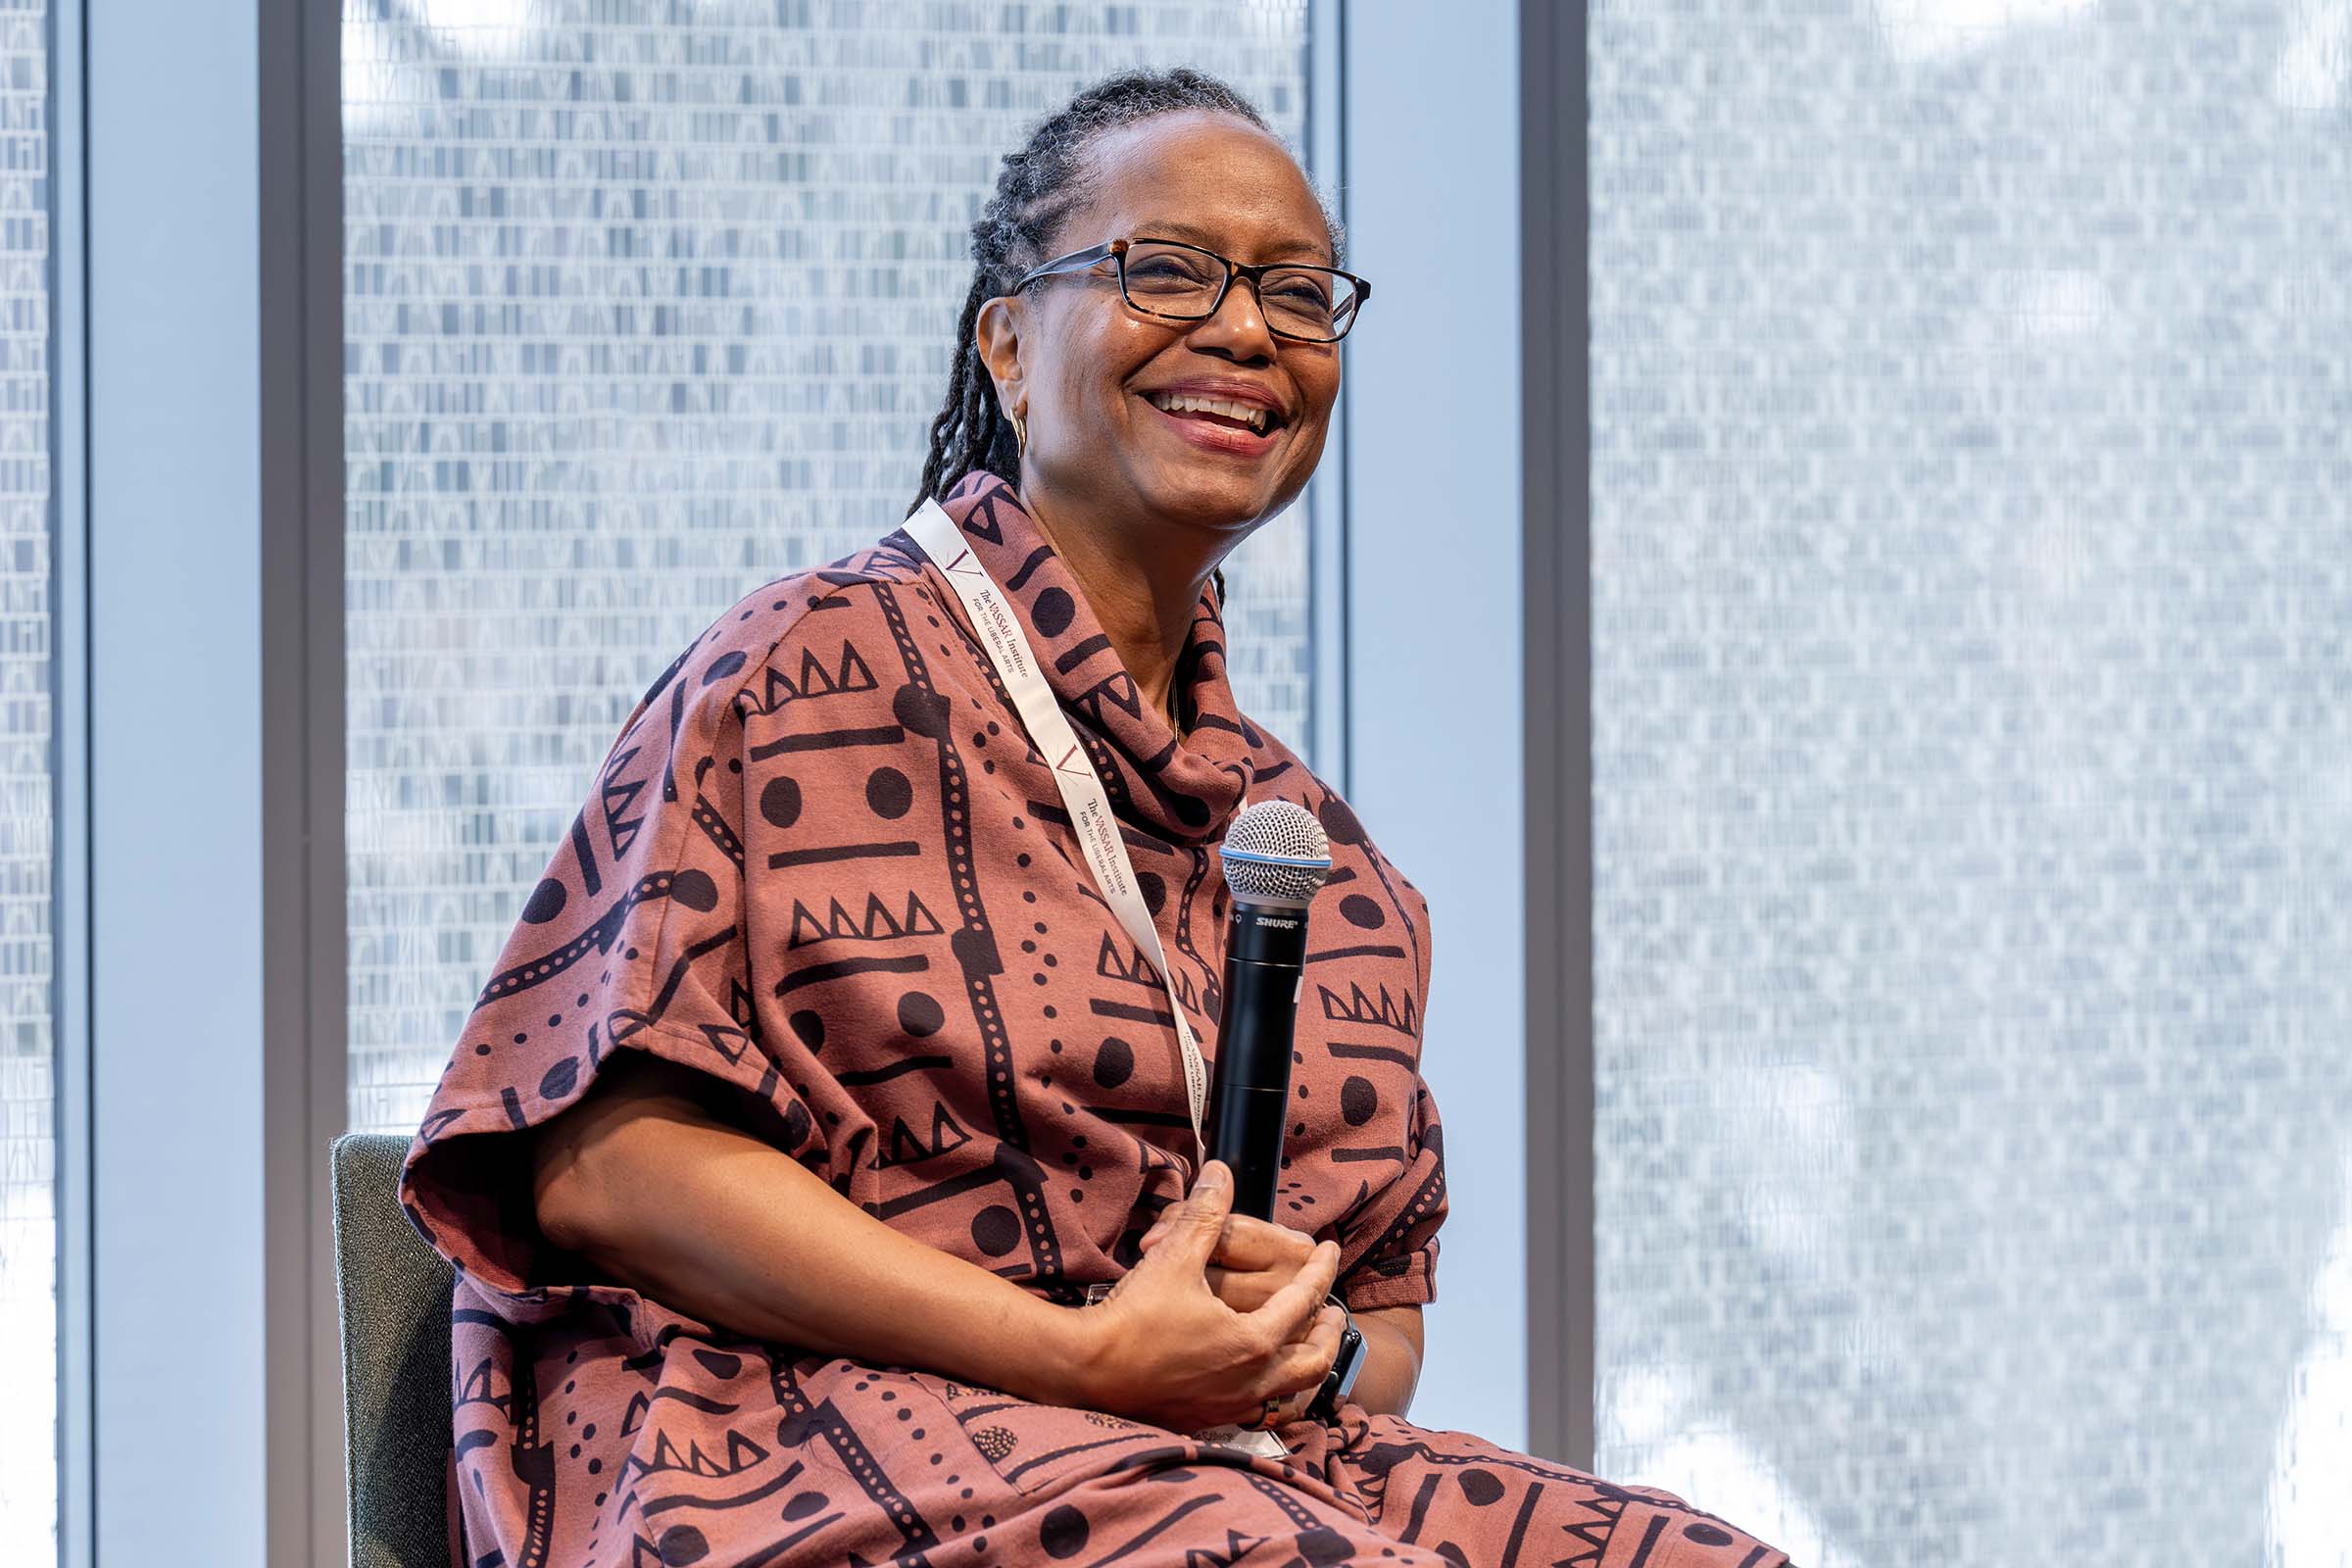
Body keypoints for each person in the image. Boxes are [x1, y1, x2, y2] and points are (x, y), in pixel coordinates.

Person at [401, 65, 1791, 1568]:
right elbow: (609, 1170)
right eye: (1168, 271)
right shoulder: (805, 676)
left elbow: (1378, 1330)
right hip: (793, 1443)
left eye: (1300, 294)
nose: (1249, 329)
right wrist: (1085, 1362)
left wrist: (1283, 1349)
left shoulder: (1321, 864)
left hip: (1232, 1461)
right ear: (1006, 343)